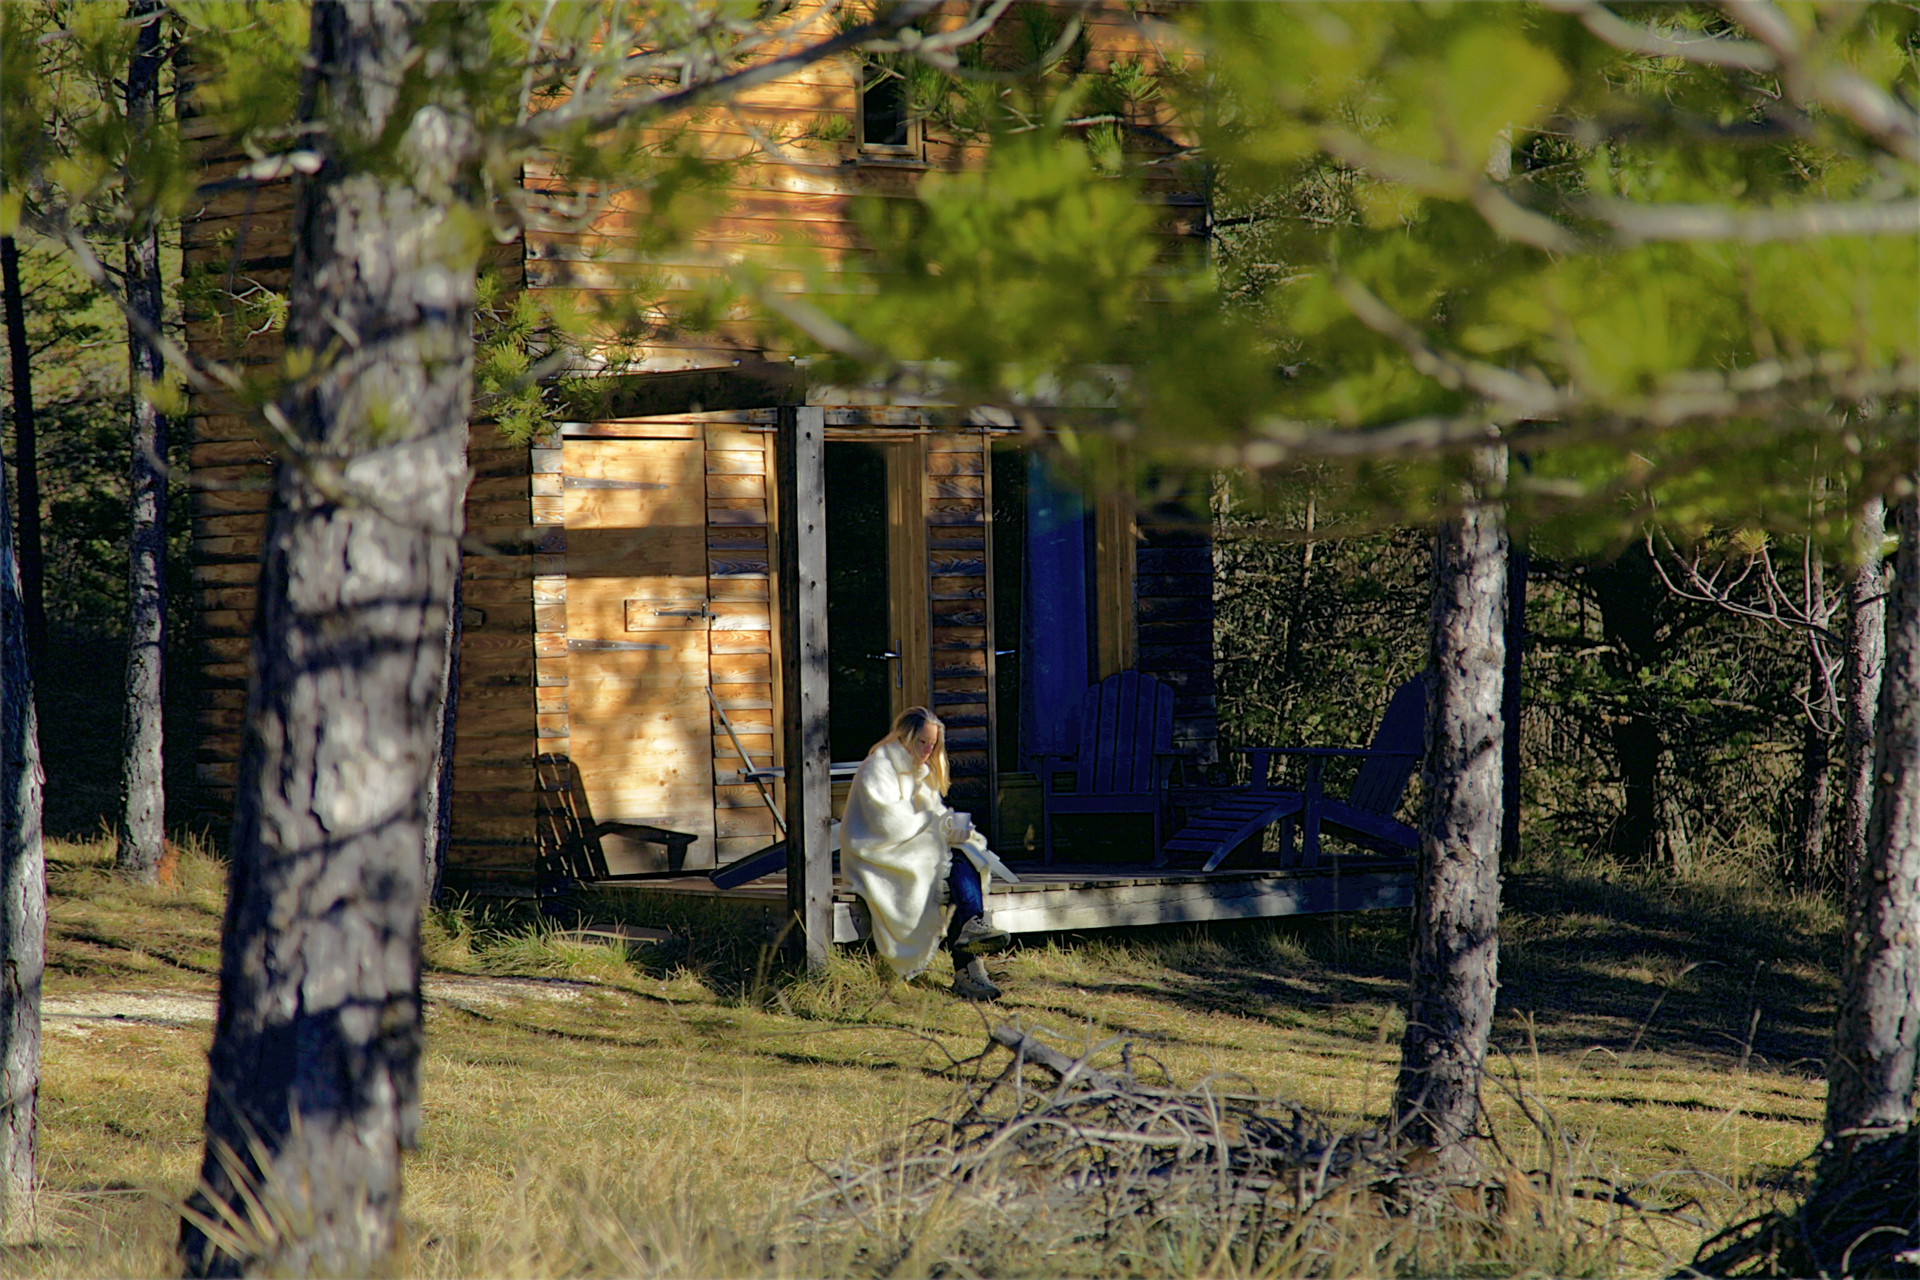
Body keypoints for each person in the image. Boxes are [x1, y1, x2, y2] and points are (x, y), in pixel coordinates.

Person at [840, 706, 1017, 999]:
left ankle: (973, 934)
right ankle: (969, 968)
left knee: (963, 852)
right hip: (876, 855)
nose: (927, 750)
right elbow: (885, 822)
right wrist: (939, 827)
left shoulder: (920, 772)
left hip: (909, 847)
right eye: (922, 742)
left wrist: (952, 829)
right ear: (906, 736)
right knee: (952, 865)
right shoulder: (878, 766)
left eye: (932, 745)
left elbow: (935, 814)